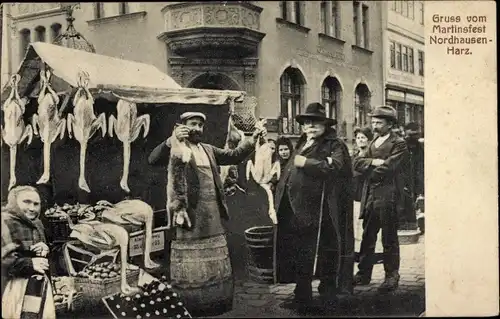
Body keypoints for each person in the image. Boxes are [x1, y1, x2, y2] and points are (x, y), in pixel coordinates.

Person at [147, 112, 265, 314]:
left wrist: (252, 140)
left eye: (201, 125)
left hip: (213, 213)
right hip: (190, 214)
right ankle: (192, 302)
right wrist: (170, 140)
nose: (198, 129)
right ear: (182, 126)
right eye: (193, 124)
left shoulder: (208, 149)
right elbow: (153, 159)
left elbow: (233, 156)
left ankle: (216, 300)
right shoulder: (177, 148)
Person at [274, 102, 354, 313]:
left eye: (315, 123)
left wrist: (306, 163)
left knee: (324, 249)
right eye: (307, 123)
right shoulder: (302, 142)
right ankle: (302, 294)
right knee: (301, 250)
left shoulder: (334, 144)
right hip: (297, 207)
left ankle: (327, 294)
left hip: (322, 209)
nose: (310, 127)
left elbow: (335, 166)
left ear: (325, 125)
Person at [353, 105, 410, 293]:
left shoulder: (399, 143)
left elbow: (390, 167)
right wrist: (373, 162)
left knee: (389, 237)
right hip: (370, 195)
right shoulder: (373, 142)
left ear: (390, 124)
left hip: (389, 195)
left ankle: (391, 276)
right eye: (373, 121)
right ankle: (363, 273)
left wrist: (370, 170)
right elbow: (357, 163)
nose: (375, 125)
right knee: (368, 236)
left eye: (379, 122)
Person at [1, 185, 56, 319]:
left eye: (36, 204)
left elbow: (34, 253)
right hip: (10, 287)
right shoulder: (4, 222)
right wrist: (29, 264)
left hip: (35, 284)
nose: (32, 208)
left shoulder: (36, 223)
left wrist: (44, 248)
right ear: (14, 202)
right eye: (26, 202)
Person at [352, 126, 375, 246]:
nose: (360, 140)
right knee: (355, 221)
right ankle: (357, 250)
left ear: (369, 140)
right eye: (358, 138)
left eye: (363, 138)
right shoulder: (355, 156)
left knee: (366, 222)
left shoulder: (371, 155)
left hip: (366, 192)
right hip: (355, 193)